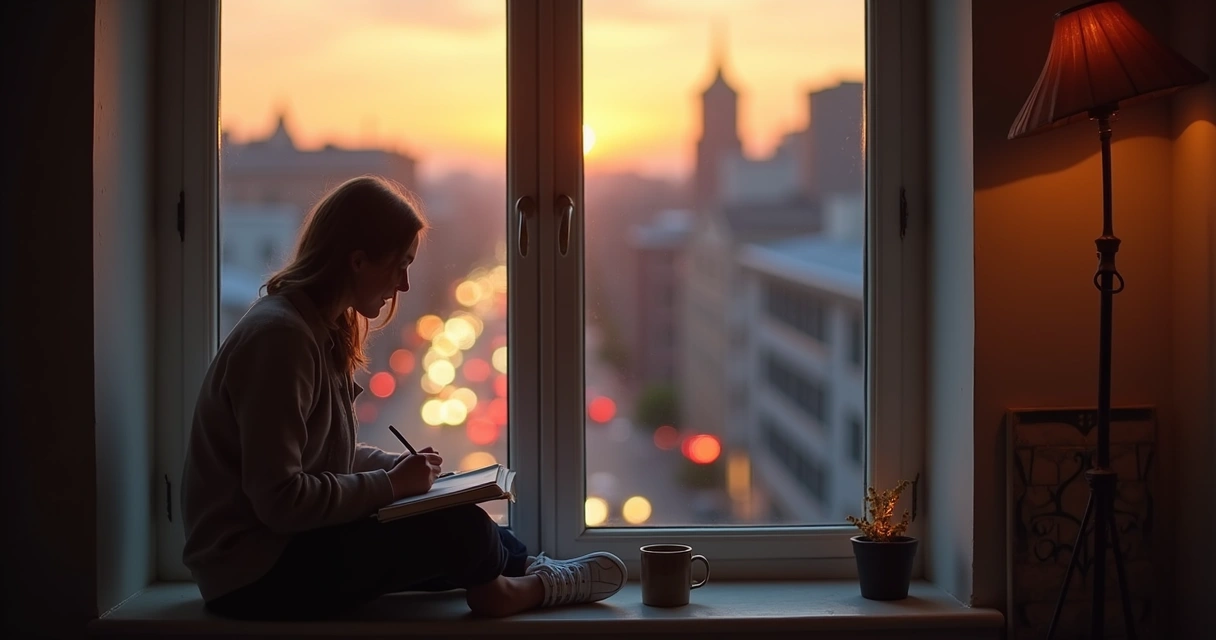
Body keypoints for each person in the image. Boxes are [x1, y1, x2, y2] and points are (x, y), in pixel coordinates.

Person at [181, 175, 626, 620]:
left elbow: (320, 457)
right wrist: (392, 485)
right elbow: (281, 500)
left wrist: (400, 469)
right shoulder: (281, 340)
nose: (405, 285)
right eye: (400, 265)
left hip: (285, 550)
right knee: (459, 528)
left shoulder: (314, 328)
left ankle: (524, 570)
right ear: (358, 261)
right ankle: (502, 592)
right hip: (253, 574)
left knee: (462, 515)